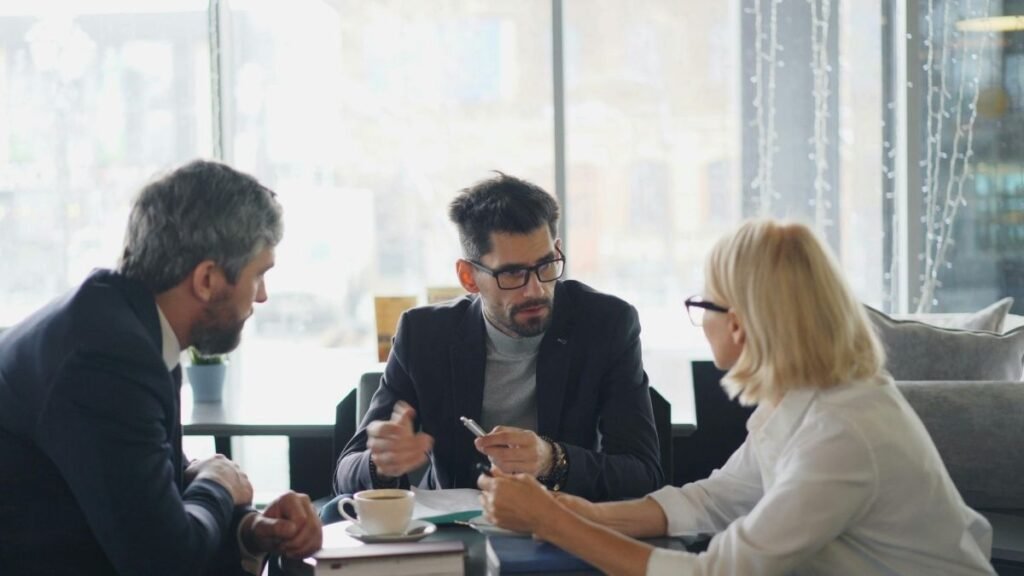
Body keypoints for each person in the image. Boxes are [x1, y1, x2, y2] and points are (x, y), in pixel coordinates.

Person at [478, 219, 994, 575]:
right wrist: (578, 512)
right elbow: (716, 499)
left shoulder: (842, 432)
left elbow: (720, 572)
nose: (701, 319)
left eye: (704, 303)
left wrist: (552, 522)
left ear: (741, 326)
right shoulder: (803, 400)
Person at [0, 160, 322, 575]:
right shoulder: (108, 359)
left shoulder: (124, 324)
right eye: (258, 275)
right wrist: (218, 483)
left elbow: (154, 497)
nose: (261, 296)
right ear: (207, 279)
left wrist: (251, 530)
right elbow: (165, 560)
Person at [333, 173, 662, 502]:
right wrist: (381, 464)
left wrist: (553, 460)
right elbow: (345, 473)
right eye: (512, 273)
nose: (536, 290)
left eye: (546, 264)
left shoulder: (606, 325)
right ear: (468, 277)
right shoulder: (424, 336)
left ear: (558, 250)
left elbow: (644, 474)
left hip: (565, 522)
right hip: (455, 527)